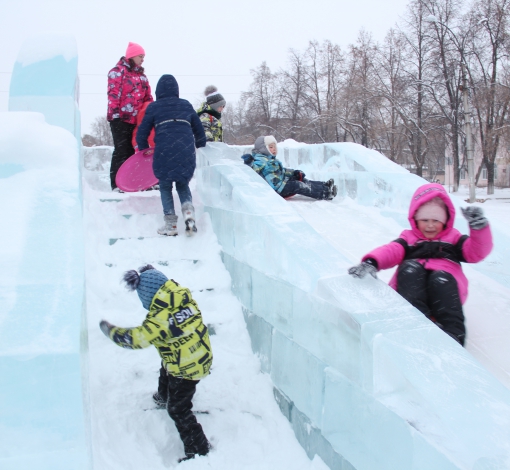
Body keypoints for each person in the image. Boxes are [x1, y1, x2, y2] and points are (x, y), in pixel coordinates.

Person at [347, 183, 493, 346]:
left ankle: (453, 335)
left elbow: (476, 252)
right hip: (414, 290)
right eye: (425, 220)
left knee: (441, 278)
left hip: (444, 287)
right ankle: (417, 323)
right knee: (409, 270)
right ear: (415, 218)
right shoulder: (408, 238)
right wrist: (372, 261)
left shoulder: (454, 238)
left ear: (445, 220)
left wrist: (480, 230)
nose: (430, 225)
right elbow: (391, 250)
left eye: (436, 220)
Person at [99, 264, 213, 462]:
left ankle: (199, 449)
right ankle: (163, 395)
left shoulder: (161, 318)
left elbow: (138, 339)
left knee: (178, 409)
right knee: (167, 364)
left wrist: (112, 332)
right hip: (199, 354)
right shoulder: (183, 298)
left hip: (187, 369)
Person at [136, 75, 206, 236]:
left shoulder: (154, 107)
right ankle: (188, 212)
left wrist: (144, 150)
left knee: (165, 185)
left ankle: (171, 225)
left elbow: (142, 133)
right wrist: (200, 144)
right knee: (182, 184)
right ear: (176, 90)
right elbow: (199, 130)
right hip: (186, 150)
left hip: (164, 151)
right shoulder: (186, 105)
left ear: (158, 91)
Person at [107, 42, 153, 191]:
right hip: (120, 119)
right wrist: (115, 117)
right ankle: (117, 184)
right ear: (132, 56)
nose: (143, 59)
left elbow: (148, 98)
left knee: (139, 152)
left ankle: (135, 183)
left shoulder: (142, 77)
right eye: (140, 56)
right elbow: (113, 95)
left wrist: (150, 115)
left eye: (144, 57)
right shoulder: (117, 72)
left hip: (138, 121)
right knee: (122, 150)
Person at [242, 135, 337, 200]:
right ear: (263, 148)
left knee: (300, 178)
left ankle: (324, 186)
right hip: (276, 189)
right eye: (271, 147)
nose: (274, 149)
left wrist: (293, 172)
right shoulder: (261, 159)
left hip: (281, 183)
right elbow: (254, 170)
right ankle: (325, 193)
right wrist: (249, 162)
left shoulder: (271, 159)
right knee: (297, 185)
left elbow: (282, 171)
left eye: (275, 147)